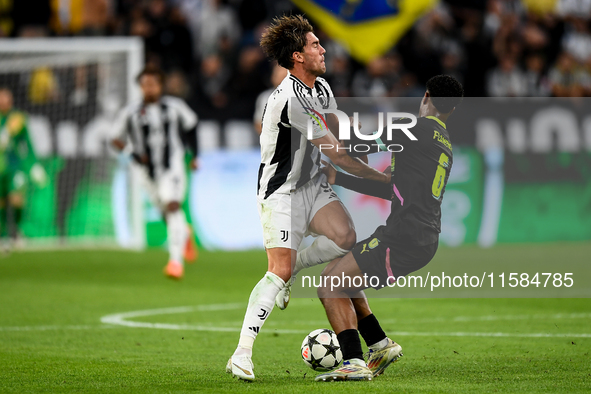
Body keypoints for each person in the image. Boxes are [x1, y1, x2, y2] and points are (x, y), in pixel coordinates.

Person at [226, 15, 390, 381]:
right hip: (281, 191)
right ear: (298, 56)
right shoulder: (290, 98)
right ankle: (242, 353)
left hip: (313, 185)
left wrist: (368, 139)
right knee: (277, 269)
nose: (323, 49)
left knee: (346, 239)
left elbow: (338, 129)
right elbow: (337, 153)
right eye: (315, 45)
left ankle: (296, 266)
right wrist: (382, 179)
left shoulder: (322, 88)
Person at [315, 75, 464, 382]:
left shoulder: (414, 128)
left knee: (330, 285)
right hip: (418, 234)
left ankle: (353, 362)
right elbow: (391, 189)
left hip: (404, 236)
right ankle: (380, 345)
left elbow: (358, 143)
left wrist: (318, 127)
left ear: (425, 96)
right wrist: (339, 178)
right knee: (337, 273)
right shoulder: (443, 143)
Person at [111, 66, 199, 279]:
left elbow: (192, 126)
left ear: (160, 85)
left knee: (172, 204)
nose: (150, 88)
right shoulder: (130, 112)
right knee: (164, 210)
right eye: (145, 84)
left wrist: (195, 156)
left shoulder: (175, 107)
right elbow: (115, 139)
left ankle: (175, 262)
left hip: (173, 166)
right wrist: (133, 154)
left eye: (153, 83)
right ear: (140, 87)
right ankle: (184, 233)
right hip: (147, 172)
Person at [0, 87, 47, 247]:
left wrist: (35, 165)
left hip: (14, 166)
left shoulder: (18, 118)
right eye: (1, 98)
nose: (4, 101)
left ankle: (17, 232)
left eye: (6, 98)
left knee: (16, 199)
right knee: (1, 202)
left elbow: (27, 143)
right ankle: (3, 235)